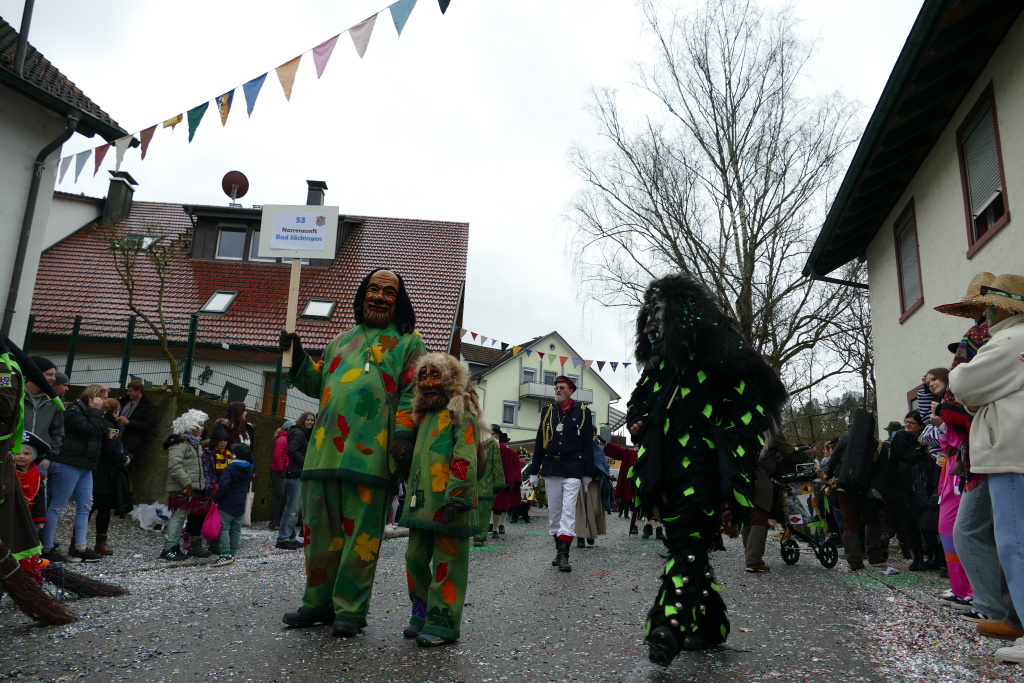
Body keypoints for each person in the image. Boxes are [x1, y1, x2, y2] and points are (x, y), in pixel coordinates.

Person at [625, 274, 787, 664]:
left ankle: (669, 623)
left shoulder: (723, 364)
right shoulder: (662, 371)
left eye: (659, 318)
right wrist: (638, 422)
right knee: (687, 542)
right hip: (666, 474)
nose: (651, 327)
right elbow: (639, 405)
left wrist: (734, 474)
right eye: (649, 318)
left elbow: (748, 417)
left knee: (688, 545)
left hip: (706, 473)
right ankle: (711, 623)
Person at [279, 268, 426, 638]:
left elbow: (412, 394)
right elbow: (316, 384)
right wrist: (295, 356)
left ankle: (350, 610)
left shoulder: (410, 342)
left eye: (389, 292)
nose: (379, 296)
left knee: (361, 540)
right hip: (322, 453)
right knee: (318, 537)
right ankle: (317, 604)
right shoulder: (339, 341)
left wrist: (405, 435)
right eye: (373, 289)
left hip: (372, 458)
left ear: (399, 301)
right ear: (361, 297)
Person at [949, 274, 1024, 663]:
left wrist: (972, 396)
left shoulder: (1011, 340)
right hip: (1013, 449)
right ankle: (1013, 617)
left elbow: (962, 384)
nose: (982, 316)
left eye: (986, 308)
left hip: (1012, 451)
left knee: (1015, 543)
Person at [396, 352, 478, 647]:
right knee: (414, 558)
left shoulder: (461, 409)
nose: (428, 382)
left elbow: (466, 455)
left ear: (450, 379)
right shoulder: (423, 415)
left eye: (435, 376)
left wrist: (455, 497)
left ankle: (442, 622)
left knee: (448, 563)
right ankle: (421, 613)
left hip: (448, 503)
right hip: (421, 502)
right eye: (423, 376)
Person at [529, 375, 594, 572]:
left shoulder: (583, 412)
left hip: (573, 466)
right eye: (556, 387)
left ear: (571, 391)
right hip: (551, 466)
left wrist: (587, 473)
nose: (558, 390)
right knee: (555, 512)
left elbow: (587, 444)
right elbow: (540, 441)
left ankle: (564, 555)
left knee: (568, 511)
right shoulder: (548, 411)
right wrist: (534, 471)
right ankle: (559, 552)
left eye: (562, 387)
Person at [40, 383, 107, 563]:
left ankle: (80, 547)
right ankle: (46, 547)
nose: (104, 401)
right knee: (57, 506)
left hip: (85, 465)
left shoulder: (92, 414)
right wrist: (95, 412)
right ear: (92, 398)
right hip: (68, 463)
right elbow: (89, 430)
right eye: (102, 397)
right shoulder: (73, 412)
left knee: (86, 506)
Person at [745, 432, 812, 573]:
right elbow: (790, 453)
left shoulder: (746, 428)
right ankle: (753, 560)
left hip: (741, 474)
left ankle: (750, 555)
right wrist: (806, 454)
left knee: (747, 516)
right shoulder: (771, 431)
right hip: (758, 475)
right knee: (759, 517)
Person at [160, 408, 209, 561]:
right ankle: (169, 548)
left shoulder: (194, 444)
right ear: (191, 427)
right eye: (200, 425)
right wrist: (187, 483)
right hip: (183, 488)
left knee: (181, 517)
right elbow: (175, 466)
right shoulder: (180, 443)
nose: (203, 428)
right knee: (178, 516)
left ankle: (174, 546)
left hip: (190, 488)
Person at [90, 398, 132, 556]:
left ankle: (92, 541)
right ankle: (98, 542)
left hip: (101, 471)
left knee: (96, 508)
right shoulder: (110, 426)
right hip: (105, 472)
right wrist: (123, 459)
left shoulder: (104, 423)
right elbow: (111, 447)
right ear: (116, 411)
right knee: (100, 508)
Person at [23, 356, 63, 511]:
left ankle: (31, 535)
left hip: (39, 463)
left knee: (36, 507)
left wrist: (50, 457)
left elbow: (58, 432)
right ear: (35, 373)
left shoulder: (53, 401)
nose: (54, 378)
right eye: (49, 374)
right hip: (10, 461)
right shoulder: (14, 395)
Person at [212, 443, 256, 567]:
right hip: (241, 502)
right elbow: (252, 461)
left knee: (224, 527)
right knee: (236, 529)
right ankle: (233, 554)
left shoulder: (230, 468)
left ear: (235, 455)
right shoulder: (250, 468)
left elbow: (224, 485)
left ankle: (225, 554)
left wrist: (216, 499)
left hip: (228, 502)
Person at [277, 411, 313, 550]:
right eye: (308, 420)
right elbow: (292, 451)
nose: (310, 422)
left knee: (295, 508)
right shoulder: (299, 434)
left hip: (297, 473)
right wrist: (305, 463)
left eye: (312, 420)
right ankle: (283, 537)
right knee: (292, 508)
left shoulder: (302, 433)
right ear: (302, 420)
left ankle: (290, 536)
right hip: (295, 474)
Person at [575, 436, 608, 548]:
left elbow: (604, 466)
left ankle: (591, 534)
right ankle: (580, 537)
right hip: (578, 483)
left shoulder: (597, 449)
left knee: (595, 510)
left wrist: (595, 470)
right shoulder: (577, 446)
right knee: (581, 511)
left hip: (593, 483)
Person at [14, 431, 49, 529]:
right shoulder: (7, 472)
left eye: (26, 453)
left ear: (33, 456)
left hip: (26, 515)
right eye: (17, 453)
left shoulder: (39, 476)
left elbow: (40, 499)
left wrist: (39, 518)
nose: (21, 456)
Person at [490, 427, 521, 539]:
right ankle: (487, 528)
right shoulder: (482, 446)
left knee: (499, 506)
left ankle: (496, 528)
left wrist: (509, 482)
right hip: (486, 481)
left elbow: (509, 467)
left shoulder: (505, 451)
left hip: (500, 481)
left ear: (497, 435)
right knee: (486, 506)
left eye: (493, 433)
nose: (491, 435)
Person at [116, 379, 156, 460]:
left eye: (130, 391)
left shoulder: (146, 406)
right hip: (116, 438)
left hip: (131, 443)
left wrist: (128, 422)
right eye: (128, 390)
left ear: (138, 391)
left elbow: (147, 425)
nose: (128, 393)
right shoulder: (123, 401)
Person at [269, 419, 296, 531]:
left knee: (281, 495)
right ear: (288, 428)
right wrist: (281, 470)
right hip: (279, 471)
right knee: (280, 495)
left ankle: (277, 520)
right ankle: (274, 520)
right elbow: (277, 456)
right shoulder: (283, 439)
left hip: (283, 471)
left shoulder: (287, 439)